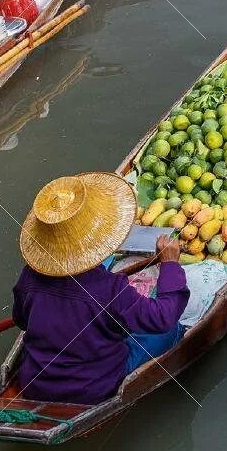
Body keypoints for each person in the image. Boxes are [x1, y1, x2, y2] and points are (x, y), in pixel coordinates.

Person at [12, 173, 190, 404]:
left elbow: (22, 321)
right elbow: (162, 317)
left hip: (35, 382)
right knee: (171, 330)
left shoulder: (29, 277)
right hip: (95, 386)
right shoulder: (110, 289)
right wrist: (169, 264)